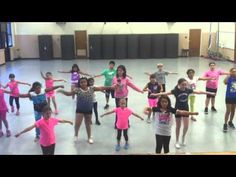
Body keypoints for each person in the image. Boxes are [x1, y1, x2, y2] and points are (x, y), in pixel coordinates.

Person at [151, 78, 215, 149]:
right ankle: (177, 141)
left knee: (186, 126)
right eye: (182, 84)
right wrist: (155, 94)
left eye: (185, 84)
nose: (184, 86)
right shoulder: (176, 91)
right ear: (179, 84)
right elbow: (165, 93)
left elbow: (199, 92)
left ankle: (183, 137)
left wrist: (209, 93)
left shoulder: (188, 90)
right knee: (178, 126)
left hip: (186, 109)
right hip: (177, 109)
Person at [57, 77, 115, 144]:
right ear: (79, 83)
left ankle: (89, 137)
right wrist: (61, 91)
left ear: (87, 82)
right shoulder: (77, 90)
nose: (83, 83)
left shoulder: (91, 88)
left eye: (84, 82)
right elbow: (69, 94)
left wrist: (111, 87)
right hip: (80, 110)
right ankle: (76, 135)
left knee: (88, 124)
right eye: (81, 82)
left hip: (88, 110)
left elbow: (101, 88)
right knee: (77, 124)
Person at [223, 68, 236, 132]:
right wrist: (228, 75)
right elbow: (225, 82)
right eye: (233, 71)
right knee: (228, 111)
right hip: (229, 97)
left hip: (235, 97)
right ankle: (225, 124)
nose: (234, 72)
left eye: (235, 71)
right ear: (230, 72)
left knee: (233, 111)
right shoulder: (229, 78)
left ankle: (230, 122)